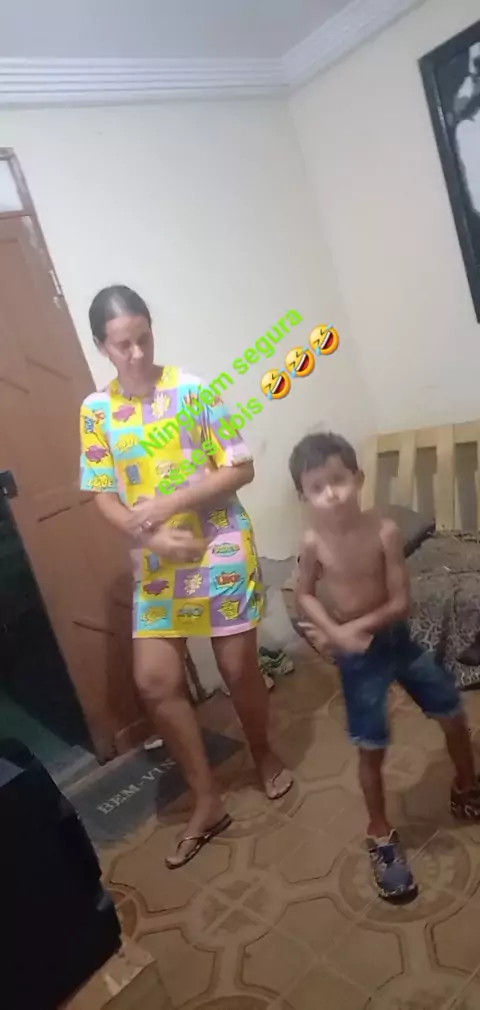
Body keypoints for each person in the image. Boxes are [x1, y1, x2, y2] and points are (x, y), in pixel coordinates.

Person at [80, 285, 292, 868]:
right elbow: (101, 493)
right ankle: (206, 798)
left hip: (217, 542)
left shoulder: (193, 390)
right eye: (123, 345)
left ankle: (263, 752)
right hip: (156, 559)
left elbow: (240, 467)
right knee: (154, 682)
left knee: (237, 667)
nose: (137, 353)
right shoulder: (96, 411)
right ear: (101, 346)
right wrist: (146, 532)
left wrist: (171, 502)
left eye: (144, 338)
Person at [289, 431, 480, 902]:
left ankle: (466, 786)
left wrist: (350, 630)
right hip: (360, 659)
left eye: (338, 480)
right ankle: (379, 834)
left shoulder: (384, 532)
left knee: (452, 712)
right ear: (304, 497)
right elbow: (303, 594)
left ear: (358, 478)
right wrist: (333, 632)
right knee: (370, 747)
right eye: (317, 487)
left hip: (398, 642)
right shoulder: (313, 542)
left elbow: (400, 602)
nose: (332, 494)